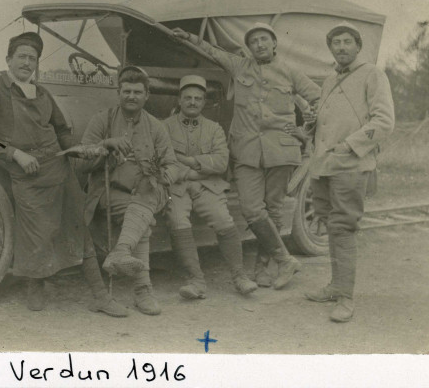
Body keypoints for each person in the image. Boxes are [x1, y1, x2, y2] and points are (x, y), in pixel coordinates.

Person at [0, 31, 127, 317]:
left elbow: (62, 132)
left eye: (33, 58)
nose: (27, 63)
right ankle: (36, 286)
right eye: (22, 57)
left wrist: (80, 149)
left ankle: (100, 296)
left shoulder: (42, 93)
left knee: (79, 230)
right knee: (37, 236)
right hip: (27, 176)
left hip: (59, 170)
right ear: (8, 60)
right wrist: (15, 154)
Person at [172, 23, 320, 289]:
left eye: (264, 39)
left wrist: (305, 128)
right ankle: (285, 259)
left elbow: (320, 100)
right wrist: (189, 36)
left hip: (281, 150)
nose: (260, 45)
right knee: (252, 209)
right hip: (246, 151)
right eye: (254, 41)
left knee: (273, 209)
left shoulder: (291, 72)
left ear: (275, 43)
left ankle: (264, 269)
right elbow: (212, 51)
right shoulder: (240, 66)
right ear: (249, 47)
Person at [305, 22, 394, 322]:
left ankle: (346, 298)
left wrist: (348, 146)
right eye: (336, 43)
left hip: (351, 165)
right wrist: (311, 123)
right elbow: (327, 122)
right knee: (330, 225)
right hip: (324, 166)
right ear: (330, 48)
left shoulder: (372, 74)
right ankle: (334, 286)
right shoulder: (330, 78)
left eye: (347, 42)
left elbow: (383, 122)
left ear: (358, 46)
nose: (341, 47)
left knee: (342, 228)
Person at [78, 65, 182, 315]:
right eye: (127, 91)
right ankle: (142, 289)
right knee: (141, 219)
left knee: (144, 201)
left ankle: (122, 254)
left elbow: (172, 163)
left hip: (148, 190)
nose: (131, 96)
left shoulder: (156, 127)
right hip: (108, 190)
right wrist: (105, 146)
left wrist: (167, 174)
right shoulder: (102, 120)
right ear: (118, 93)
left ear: (147, 95)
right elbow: (80, 161)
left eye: (137, 92)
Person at [163, 75, 258, 299]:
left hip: (208, 185)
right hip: (176, 185)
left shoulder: (214, 129)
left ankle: (239, 276)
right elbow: (163, 158)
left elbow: (221, 162)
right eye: (188, 98)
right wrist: (197, 166)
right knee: (177, 218)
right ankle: (196, 281)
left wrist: (187, 161)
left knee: (222, 218)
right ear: (179, 100)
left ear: (204, 102)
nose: (193, 102)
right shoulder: (164, 127)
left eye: (198, 98)